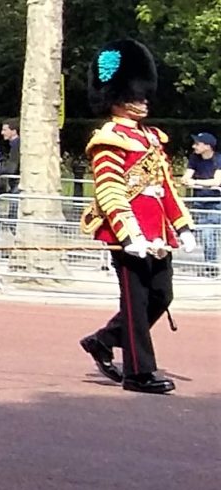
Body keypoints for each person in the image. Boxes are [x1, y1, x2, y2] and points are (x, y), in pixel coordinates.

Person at [77, 39, 195, 394]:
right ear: (117, 98)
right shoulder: (108, 138)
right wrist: (129, 234)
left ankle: (103, 340)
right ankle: (138, 372)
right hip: (127, 234)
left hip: (157, 234)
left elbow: (166, 187)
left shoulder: (151, 139)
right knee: (136, 303)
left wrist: (182, 225)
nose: (144, 101)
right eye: (136, 96)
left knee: (162, 296)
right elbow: (109, 189)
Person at [184, 131, 220, 273]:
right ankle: (210, 264)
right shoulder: (194, 158)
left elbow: (217, 181)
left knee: (209, 233)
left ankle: (211, 265)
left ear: (208, 146)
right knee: (205, 234)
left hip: (214, 202)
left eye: (198, 144)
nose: (194, 146)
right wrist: (198, 183)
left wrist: (196, 182)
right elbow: (186, 178)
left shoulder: (218, 159)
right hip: (199, 201)